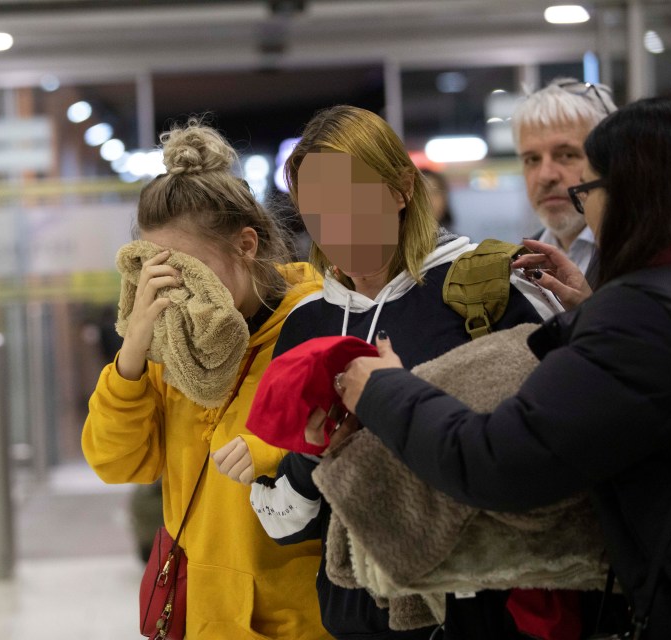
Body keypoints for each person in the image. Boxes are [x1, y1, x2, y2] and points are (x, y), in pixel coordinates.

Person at [335, 95, 671, 639]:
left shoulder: (639, 313)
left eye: (580, 176)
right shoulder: (658, 298)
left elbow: (498, 460)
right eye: (531, 158)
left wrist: (386, 389)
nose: (555, 181)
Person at [231, 105, 561, 640]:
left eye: (349, 199)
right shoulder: (305, 325)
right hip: (355, 616)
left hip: (484, 611)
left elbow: (564, 440)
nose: (333, 224)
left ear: (402, 189)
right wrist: (309, 456)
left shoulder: (485, 286)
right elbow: (280, 524)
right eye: (315, 209)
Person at [81, 119, 329, 640]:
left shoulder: (314, 325)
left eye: (193, 270)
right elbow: (118, 463)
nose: (182, 291)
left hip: (298, 617)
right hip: (201, 615)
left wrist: (273, 451)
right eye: (162, 271)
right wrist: (132, 355)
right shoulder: (171, 345)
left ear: (246, 245)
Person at [514, 77, 617, 286]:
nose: (546, 176)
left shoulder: (640, 258)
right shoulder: (516, 266)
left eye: (566, 155)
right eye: (532, 159)